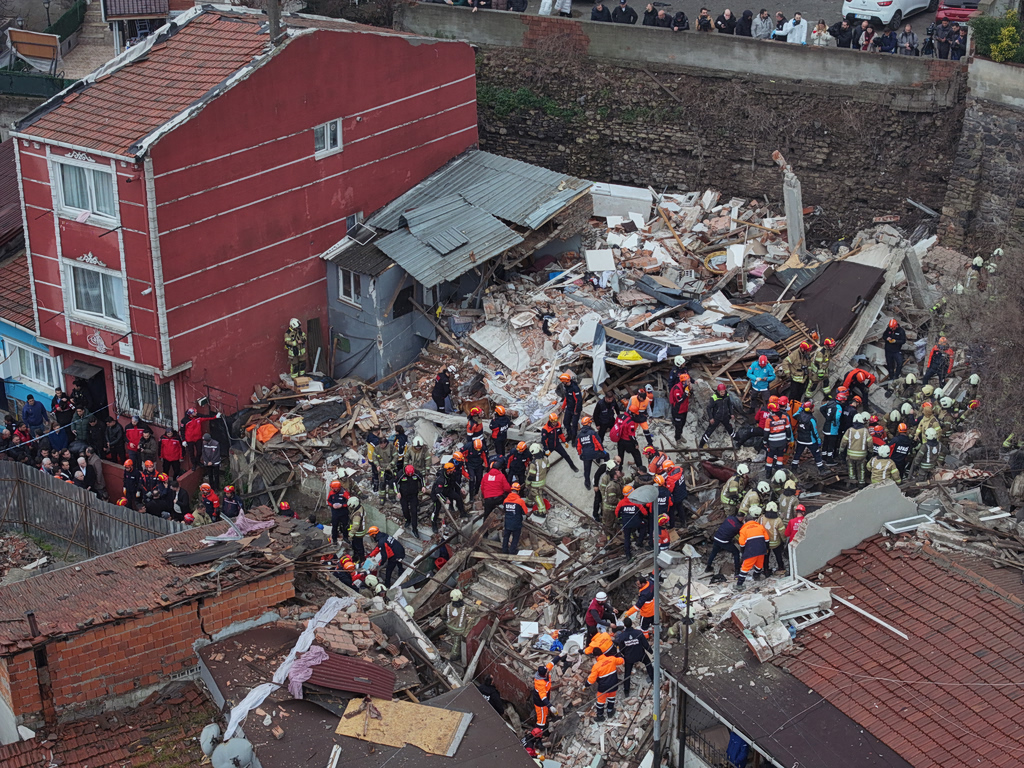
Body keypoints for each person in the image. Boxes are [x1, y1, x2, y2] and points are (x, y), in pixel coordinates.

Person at [614, 617, 653, 697]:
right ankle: (653, 679)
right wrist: (651, 651)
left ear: (624, 625)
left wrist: (625, 656)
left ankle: (626, 691)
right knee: (648, 664)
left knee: (627, 674)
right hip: (640, 655)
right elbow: (645, 644)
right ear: (631, 624)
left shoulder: (622, 636)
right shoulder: (638, 633)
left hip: (629, 658)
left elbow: (621, 649)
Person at [587, 648, 624, 722]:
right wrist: (619, 654)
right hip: (613, 684)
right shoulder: (612, 659)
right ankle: (610, 711)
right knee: (611, 698)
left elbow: (591, 680)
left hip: (603, 687)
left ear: (596, 656)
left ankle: (600, 716)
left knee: (600, 701)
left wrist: (586, 684)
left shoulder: (596, 666)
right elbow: (621, 661)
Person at [615, 486, 649, 560]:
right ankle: (639, 542)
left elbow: (617, 513)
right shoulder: (636, 502)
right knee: (644, 526)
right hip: (637, 522)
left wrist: (621, 517)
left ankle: (628, 554)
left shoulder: (621, 502)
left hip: (626, 523)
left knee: (627, 538)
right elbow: (644, 512)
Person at [736, 512, 769, 588]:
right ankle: (756, 576)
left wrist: (743, 552)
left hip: (751, 551)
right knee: (759, 565)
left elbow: (742, 543)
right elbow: (767, 539)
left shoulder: (743, 530)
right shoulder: (760, 527)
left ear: (745, 521)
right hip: (761, 550)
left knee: (745, 568)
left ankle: (739, 584)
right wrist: (766, 549)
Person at [575, 416, 608, 491]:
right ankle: (607, 469)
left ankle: (587, 483)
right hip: (595, 453)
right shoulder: (593, 433)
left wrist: (580, 454)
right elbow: (599, 443)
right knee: (606, 455)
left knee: (587, 470)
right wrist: (603, 450)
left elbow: (578, 447)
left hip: (586, 455)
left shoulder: (579, 436)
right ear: (589, 424)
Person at [699, 383, 735, 449]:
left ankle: (736, 439)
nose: (723, 393)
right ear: (718, 391)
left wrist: (731, 413)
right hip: (716, 417)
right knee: (709, 431)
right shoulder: (714, 397)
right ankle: (701, 445)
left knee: (730, 429)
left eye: (724, 391)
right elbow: (708, 408)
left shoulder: (727, 396)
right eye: (721, 392)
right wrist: (711, 418)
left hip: (725, 416)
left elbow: (730, 405)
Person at [792, 400, 824, 473]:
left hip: (800, 439)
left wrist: (800, 409)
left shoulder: (800, 415)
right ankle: (821, 469)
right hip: (810, 440)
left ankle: (794, 467)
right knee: (816, 454)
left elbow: (794, 415)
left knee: (798, 453)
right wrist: (818, 441)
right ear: (810, 409)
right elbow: (814, 431)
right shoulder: (812, 420)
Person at [840, 413, 871, 485]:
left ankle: (852, 481)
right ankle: (861, 482)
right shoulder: (865, 431)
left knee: (851, 468)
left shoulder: (849, 430)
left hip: (850, 455)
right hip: (862, 455)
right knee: (861, 469)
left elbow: (843, 442)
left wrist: (841, 451)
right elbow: (870, 442)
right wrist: (870, 451)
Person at [443, 589, 474, 661]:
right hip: (459, 630)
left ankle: (453, 640)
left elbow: (442, 613)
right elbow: (474, 610)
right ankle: (453, 656)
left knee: (453, 635)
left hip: (450, 626)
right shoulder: (464, 608)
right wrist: (477, 605)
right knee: (457, 643)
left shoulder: (447, 606)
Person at [764, 402, 793, 478]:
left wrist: (765, 441)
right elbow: (788, 430)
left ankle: (768, 473)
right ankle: (779, 471)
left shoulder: (769, 420)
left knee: (770, 456)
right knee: (780, 455)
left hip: (772, 442)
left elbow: (766, 433)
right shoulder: (784, 417)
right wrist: (788, 439)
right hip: (782, 441)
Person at [502, 482, 529, 554]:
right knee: (515, 538)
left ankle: (504, 550)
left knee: (506, 537)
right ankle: (512, 551)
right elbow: (525, 512)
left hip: (507, 522)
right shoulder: (520, 501)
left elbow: (505, 510)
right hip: (516, 523)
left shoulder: (505, 501)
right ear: (518, 491)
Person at [397, 465, 423, 538]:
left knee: (414, 512)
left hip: (413, 495)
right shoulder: (400, 474)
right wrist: (397, 492)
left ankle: (414, 529)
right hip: (404, 496)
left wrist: (423, 486)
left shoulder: (416, 473)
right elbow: (395, 483)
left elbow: (421, 479)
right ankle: (407, 520)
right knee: (405, 509)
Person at [464, 437, 489, 507]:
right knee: (472, 479)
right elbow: (462, 454)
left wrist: (487, 465)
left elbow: (485, 456)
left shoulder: (482, 447)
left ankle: (476, 491)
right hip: (470, 465)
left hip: (478, 464)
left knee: (479, 479)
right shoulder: (468, 446)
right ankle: (471, 496)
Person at [526, 444, 551, 515]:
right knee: (531, 493)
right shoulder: (546, 459)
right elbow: (548, 468)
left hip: (535, 483)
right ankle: (529, 503)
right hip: (542, 481)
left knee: (537, 496)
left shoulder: (534, 464)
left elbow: (531, 476)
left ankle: (542, 511)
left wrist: (527, 483)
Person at [599, 464, 624, 533]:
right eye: (617, 471)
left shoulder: (617, 481)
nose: (619, 471)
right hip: (610, 509)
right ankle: (608, 536)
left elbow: (623, 481)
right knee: (609, 523)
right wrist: (622, 501)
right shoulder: (612, 486)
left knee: (614, 521)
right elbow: (611, 499)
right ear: (615, 475)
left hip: (614, 507)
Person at [883, 319, 907, 388]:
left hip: (896, 350)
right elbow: (884, 336)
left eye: (893, 328)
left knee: (899, 362)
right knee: (890, 364)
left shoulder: (901, 331)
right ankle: (891, 377)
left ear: (896, 325)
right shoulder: (888, 329)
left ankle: (896, 376)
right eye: (891, 328)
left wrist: (895, 341)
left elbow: (903, 341)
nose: (892, 329)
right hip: (888, 350)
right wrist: (886, 338)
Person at [669, 373, 691, 442]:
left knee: (682, 424)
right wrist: (685, 394)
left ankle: (679, 435)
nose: (689, 383)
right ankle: (677, 439)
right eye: (688, 381)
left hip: (684, 410)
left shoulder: (685, 387)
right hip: (677, 411)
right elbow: (679, 400)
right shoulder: (677, 388)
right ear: (683, 382)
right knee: (678, 426)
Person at [532, 663, 554, 731]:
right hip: (540, 704)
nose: (548, 671)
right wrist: (550, 706)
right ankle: (537, 735)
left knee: (545, 714)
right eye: (547, 671)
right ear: (545, 674)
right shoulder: (541, 684)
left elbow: (552, 663)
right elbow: (543, 697)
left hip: (544, 702)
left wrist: (560, 656)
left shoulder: (543, 673)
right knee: (541, 721)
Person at [328, 480, 350, 545]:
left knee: (345, 526)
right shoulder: (331, 493)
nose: (332, 489)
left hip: (343, 513)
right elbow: (328, 501)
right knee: (334, 526)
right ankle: (334, 539)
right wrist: (332, 505)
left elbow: (349, 502)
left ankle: (345, 538)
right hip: (335, 513)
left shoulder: (345, 493)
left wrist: (342, 505)